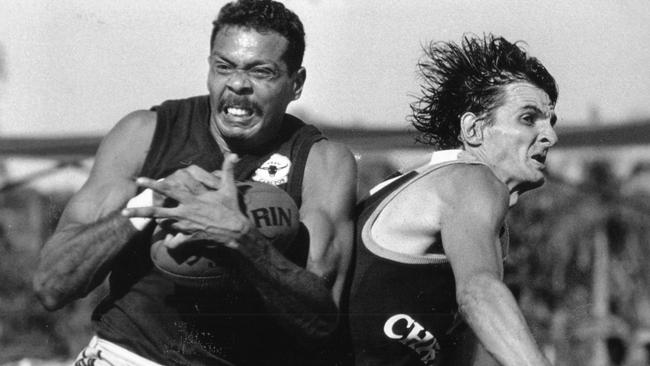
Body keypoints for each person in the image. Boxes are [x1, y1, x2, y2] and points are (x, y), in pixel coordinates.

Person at [32, 0, 357, 365]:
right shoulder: (146, 134)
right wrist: (150, 205)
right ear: (209, 69)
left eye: (261, 71)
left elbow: (322, 324)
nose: (237, 84)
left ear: (295, 84)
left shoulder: (321, 162)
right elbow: (52, 285)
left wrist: (242, 242)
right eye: (224, 67)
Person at [347, 34, 558, 366]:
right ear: (473, 129)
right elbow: (478, 294)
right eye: (528, 118)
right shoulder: (472, 180)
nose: (550, 136)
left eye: (551, 121)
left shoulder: (436, 185)